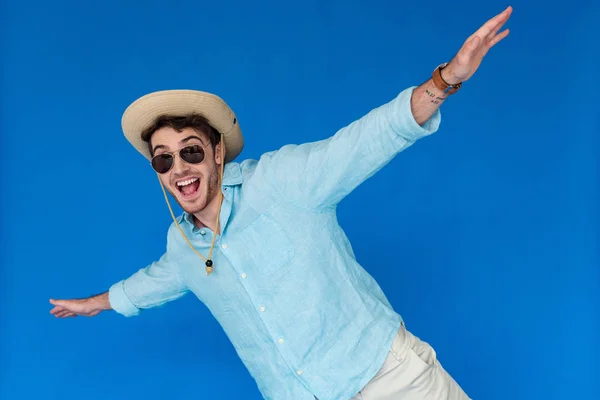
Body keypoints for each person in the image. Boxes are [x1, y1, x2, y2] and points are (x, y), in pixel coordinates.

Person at [49, 6, 512, 400]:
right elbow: (151, 284)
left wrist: (445, 79)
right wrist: (94, 304)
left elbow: (366, 141)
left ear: (216, 153)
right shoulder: (182, 246)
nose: (178, 169)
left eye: (190, 151)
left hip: (390, 381)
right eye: (163, 160)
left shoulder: (280, 181)